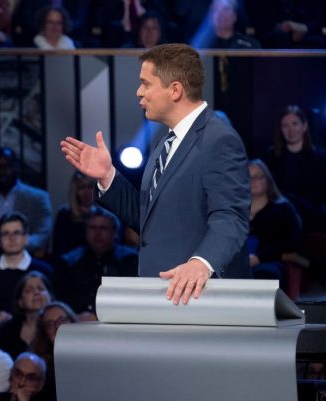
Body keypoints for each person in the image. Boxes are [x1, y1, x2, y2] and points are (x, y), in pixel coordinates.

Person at [61, 43, 251, 305]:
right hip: (165, 295)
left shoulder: (219, 140)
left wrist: (201, 263)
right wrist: (108, 177)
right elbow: (151, 221)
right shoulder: (166, 141)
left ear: (175, 90)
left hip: (200, 296)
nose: (139, 93)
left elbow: (231, 218)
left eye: (146, 84)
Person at [54, 207, 138, 319]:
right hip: (75, 321)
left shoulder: (129, 260)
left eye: (103, 228)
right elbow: (60, 299)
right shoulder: (69, 261)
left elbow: (132, 298)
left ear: (115, 232)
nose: (97, 233)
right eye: (92, 228)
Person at [0, 212, 53, 324]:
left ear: (26, 237)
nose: (12, 238)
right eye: (6, 234)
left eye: (17, 233)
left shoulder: (45, 270)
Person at [261, 105, 326, 234]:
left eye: (295, 124)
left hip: (311, 220)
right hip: (278, 219)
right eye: (285, 126)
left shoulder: (321, 159)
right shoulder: (270, 157)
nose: (290, 130)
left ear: (305, 126)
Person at [248, 159, 302, 282]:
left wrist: (259, 258)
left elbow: (288, 243)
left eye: (258, 176)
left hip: (269, 262)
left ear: (268, 180)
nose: (253, 181)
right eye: (249, 177)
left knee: (264, 275)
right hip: (239, 263)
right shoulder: (234, 211)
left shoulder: (283, 210)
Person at [0, 271, 53, 360]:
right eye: (29, 291)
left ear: (50, 296)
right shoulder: (4, 332)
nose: (36, 292)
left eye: (41, 288)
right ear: (20, 302)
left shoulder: (59, 328)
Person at [30, 301, 78, 401]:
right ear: (45, 333)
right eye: (50, 325)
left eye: (61, 321)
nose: (57, 327)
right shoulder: (40, 368)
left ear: (72, 321)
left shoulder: (91, 356)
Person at [51, 171, 96, 256]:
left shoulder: (104, 214)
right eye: (81, 187)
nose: (87, 192)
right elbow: (58, 248)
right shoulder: (65, 214)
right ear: (75, 191)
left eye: (90, 186)